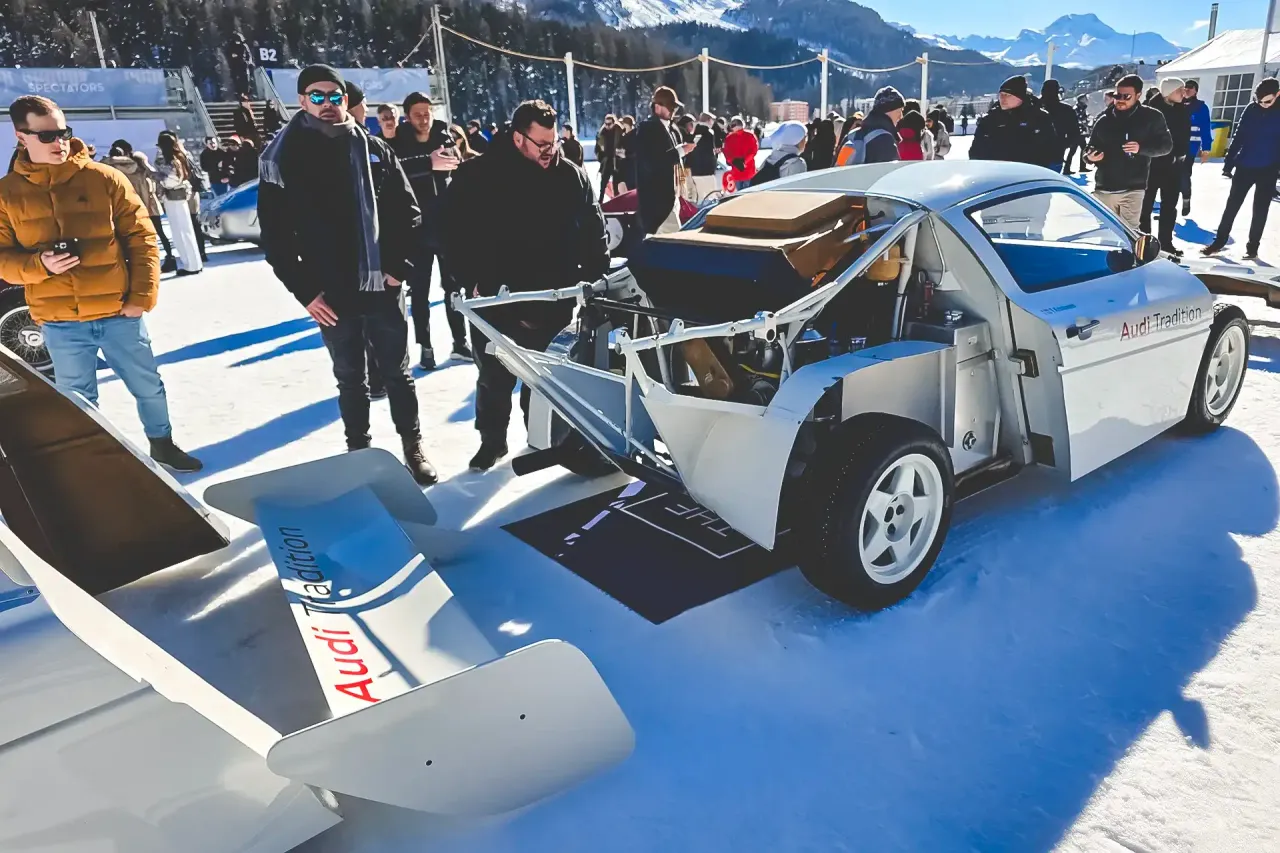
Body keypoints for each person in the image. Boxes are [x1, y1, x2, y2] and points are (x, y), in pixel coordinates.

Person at [0, 95, 201, 472]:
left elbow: (142, 239)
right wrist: (39, 265)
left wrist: (141, 297)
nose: (59, 142)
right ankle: (93, 465)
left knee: (148, 386)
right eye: (47, 136)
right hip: (61, 321)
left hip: (119, 312)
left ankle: (163, 445)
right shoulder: (6, 193)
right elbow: (3, 260)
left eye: (63, 133)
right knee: (77, 401)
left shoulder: (105, 178)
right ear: (21, 136)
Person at [257, 64, 436, 485]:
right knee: (351, 379)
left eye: (335, 97)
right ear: (302, 101)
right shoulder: (284, 157)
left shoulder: (374, 149)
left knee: (398, 374)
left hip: (382, 287)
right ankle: (359, 451)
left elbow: (408, 213)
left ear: (346, 100)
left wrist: (398, 269)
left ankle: (413, 446)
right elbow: (276, 237)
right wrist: (306, 292)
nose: (328, 104)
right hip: (330, 291)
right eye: (317, 97)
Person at [443, 100, 608, 471]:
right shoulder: (479, 175)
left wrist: (595, 279)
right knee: (494, 376)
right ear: (518, 138)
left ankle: (540, 439)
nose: (550, 151)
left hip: (552, 297)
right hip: (494, 299)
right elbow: (451, 233)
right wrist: (467, 280)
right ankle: (492, 440)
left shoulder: (570, 176)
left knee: (543, 377)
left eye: (554, 143)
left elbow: (593, 231)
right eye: (542, 144)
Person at [392, 91, 470, 369]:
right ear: (407, 117)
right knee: (420, 292)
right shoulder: (398, 141)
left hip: (446, 227)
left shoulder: (442, 134)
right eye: (418, 115)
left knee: (454, 289)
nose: (424, 119)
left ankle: (460, 342)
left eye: (427, 113)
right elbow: (394, 172)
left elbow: (455, 164)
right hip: (415, 229)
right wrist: (428, 163)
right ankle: (425, 346)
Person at [1202, 78, 1280, 260]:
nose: (1262, 105)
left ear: (1278, 95)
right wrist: (1229, 161)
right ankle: (1219, 242)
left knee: (1260, 209)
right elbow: (1239, 135)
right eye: (1259, 101)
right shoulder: (1251, 109)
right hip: (1245, 165)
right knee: (1232, 206)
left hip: (1268, 169)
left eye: (1267, 101)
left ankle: (1252, 248)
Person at [1086, 74, 1173, 230]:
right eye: (1117, 95)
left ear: (1138, 95)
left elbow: (1166, 146)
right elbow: (1090, 147)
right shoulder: (1104, 119)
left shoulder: (1151, 117)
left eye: (1126, 96)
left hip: (1133, 188)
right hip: (1104, 187)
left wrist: (1141, 148)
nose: (1120, 100)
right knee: (1106, 232)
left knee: (1129, 232)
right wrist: (1090, 157)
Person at [104, 140, 175, 273]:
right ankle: (170, 258)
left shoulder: (111, 167)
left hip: (130, 208)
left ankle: (134, 264)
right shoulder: (139, 162)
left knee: (131, 237)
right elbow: (154, 176)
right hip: (149, 205)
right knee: (160, 233)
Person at [1140, 77, 1191, 257]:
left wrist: (1182, 153)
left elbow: (1184, 134)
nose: (1184, 93)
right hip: (1151, 166)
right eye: (1180, 90)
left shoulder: (1182, 109)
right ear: (1169, 91)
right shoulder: (1149, 111)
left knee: (1169, 206)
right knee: (1145, 206)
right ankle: (1144, 243)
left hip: (1174, 166)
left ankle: (1166, 243)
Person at [635, 86, 695, 235]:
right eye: (670, 106)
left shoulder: (671, 129)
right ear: (657, 107)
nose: (673, 111)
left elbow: (672, 161)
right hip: (658, 202)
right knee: (672, 240)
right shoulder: (647, 129)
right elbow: (653, 162)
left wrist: (683, 186)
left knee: (669, 240)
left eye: (674, 107)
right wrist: (681, 151)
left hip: (671, 199)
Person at [970, 76, 1059, 168]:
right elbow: (975, 152)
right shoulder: (990, 120)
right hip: (994, 172)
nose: (1003, 98)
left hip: (1030, 173)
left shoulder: (1039, 118)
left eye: (1008, 95)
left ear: (1020, 97)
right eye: (1001, 95)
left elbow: (1050, 149)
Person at [154, 132, 203, 275]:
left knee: (181, 231)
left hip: (175, 196)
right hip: (180, 196)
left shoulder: (172, 161)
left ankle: (191, 265)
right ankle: (193, 263)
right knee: (185, 230)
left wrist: (156, 174)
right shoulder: (181, 156)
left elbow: (169, 181)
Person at [838, 86, 903, 166]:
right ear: (889, 110)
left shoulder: (851, 136)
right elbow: (891, 170)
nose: (901, 117)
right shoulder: (885, 139)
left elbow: (838, 167)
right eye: (899, 111)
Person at [1181, 79, 1214, 216]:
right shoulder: (1177, 104)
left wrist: (1206, 149)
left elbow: (1205, 129)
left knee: (1184, 175)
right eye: (1185, 87)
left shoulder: (1201, 107)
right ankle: (1169, 206)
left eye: (1191, 87)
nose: (1187, 90)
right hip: (1173, 148)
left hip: (1190, 148)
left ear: (1196, 91)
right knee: (1170, 177)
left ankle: (1186, 199)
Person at [1040, 79, 1080, 174]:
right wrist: (1062, 145)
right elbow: (1074, 133)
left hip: (1033, 155)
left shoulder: (1034, 107)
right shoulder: (1066, 110)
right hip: (1056, 154)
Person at [753, 120, 808, 185]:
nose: (806, 141)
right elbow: (798, 188)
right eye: (805, 138)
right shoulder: (797, 163)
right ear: (798, 139)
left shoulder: (771, 157)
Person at [687, 112, 719, 200]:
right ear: (709, 120)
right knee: (711, 197)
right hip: (707, 171)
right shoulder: (709, 133)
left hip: (695, 171)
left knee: (700, 197)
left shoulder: (694, 133)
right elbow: (711, 151)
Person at [723, 115, 759, 187]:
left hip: (736, 171)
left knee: (739, 192)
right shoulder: (750, 135)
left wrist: (734, 161)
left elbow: (727, 153)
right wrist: (744, 161)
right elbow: (753, 151)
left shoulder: (729, 138)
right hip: (749, 171)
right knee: (749, 192)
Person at [595, 113, 622, 201]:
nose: (607, 126)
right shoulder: (602, 133)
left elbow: (623, 144)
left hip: (617, 160)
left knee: (616, 183)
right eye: (606, 124)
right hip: (607, 160)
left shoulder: (619, 131)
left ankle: (617, 200)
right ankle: (600, 200)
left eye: (609, 124)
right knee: (603, 183)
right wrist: (601, 158)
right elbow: (597, 148)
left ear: (614, 123)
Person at [1068, 94, 1091, 173]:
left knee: (1083, 149)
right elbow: (1077, 119)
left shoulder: (1082, 107)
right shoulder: (1077, 108)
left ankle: (1082, 167)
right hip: (1077, 132)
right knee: (1073, 150)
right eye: (1085, 98)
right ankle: (1067, 168)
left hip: (1081, 133)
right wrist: (1084, 122)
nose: (1086, 100)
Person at [228, 33, 254, 99]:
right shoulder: (232, 46)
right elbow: (230, 56)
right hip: (235, 66)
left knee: (246, 80)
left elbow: (249, 55)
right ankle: (239, 93)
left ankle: (247, 93)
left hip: (244, 65)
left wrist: (249, 62)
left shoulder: (244, 46)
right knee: (237, 80)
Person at [617, 115, 637, 192]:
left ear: (627, 124)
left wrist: (625, 154)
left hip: (632, 168)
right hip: (626, 167)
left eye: (623, 123)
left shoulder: (634, 136)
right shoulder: (624, 135)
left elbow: (636, 152)